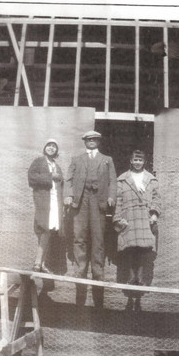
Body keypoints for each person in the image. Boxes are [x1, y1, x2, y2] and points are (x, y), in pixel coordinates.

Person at [64, 130, 117, 308]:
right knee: (79, 237)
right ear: (85, 142)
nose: (92, 142)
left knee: (98, 240)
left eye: (95, 139)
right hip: (81, 202)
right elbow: (68, 179)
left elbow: (113, 181)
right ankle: (80, 274)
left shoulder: (107, 159)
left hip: (98, 202)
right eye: (89, 139)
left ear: (99, 141)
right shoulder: (77, 159)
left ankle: (98, 281)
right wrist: (69, 196)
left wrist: (111, 197)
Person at [113, 149, 162, 312]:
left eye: (140, 160)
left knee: (143, 249)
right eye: (135, 159)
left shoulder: (151, 179)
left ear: (144, 162)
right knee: (130, 249)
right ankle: (131, 281)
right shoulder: (122, 179)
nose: (137, 162)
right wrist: (118, 218)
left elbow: (157, 198)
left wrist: (154, 214)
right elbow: (118, 201)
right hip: (129, 216)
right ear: (130, 161)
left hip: (145, 217)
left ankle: (139, 281)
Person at [28, 139, 64, 273]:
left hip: (55, 202)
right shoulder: (38, 161)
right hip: (44, 201)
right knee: (43, 229)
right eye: (49, 145)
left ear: (56, 151)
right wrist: (50, 177)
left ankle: (41, 264)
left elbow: (61, 185)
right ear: (45, 148)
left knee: (49, 230)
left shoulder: (57, 166)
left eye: (54, 146)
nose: (51, 148)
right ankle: (38, 263)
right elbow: (31, 178)